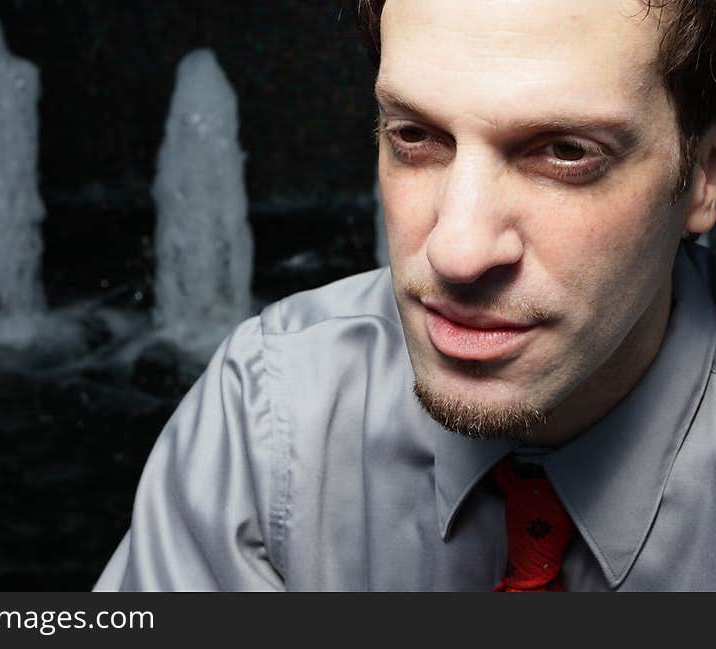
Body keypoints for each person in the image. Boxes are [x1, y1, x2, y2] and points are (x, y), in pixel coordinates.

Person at [96, 0, 716, 591]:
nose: (458, 252)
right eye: (415, 136)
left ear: (704, 176)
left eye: (566, 152)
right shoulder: (273, 411)